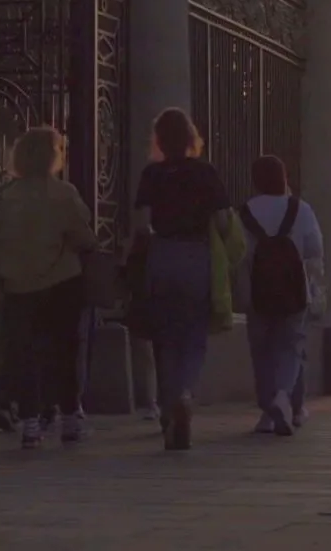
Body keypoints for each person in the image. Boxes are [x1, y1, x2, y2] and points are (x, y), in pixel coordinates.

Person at [133, 107, 231, 450]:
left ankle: (166, 404)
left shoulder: (152, 175)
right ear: (191, 138)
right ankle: (185, 393)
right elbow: (222, 223)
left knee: (163, 336)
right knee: (193, 333)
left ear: (159, 139)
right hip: (195, 255)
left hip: (162, 255)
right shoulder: (205, 173)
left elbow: (141, 224)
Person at [0, 126, 97, 448]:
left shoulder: (6, 197)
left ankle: (30, 424)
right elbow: (84, 238)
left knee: (24, 354)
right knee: (65, 351)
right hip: (60, 282)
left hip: (17, 285)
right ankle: (69, 419)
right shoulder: (63, 193)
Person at [240, 155, 323, 436]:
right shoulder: (301, 209)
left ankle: (267, 411)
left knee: (261, 351)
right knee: (290, 346)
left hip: (258, 293)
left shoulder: (246, 211)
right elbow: (314, 249)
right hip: (294, 292)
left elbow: (239, 256)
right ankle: (285, 397)